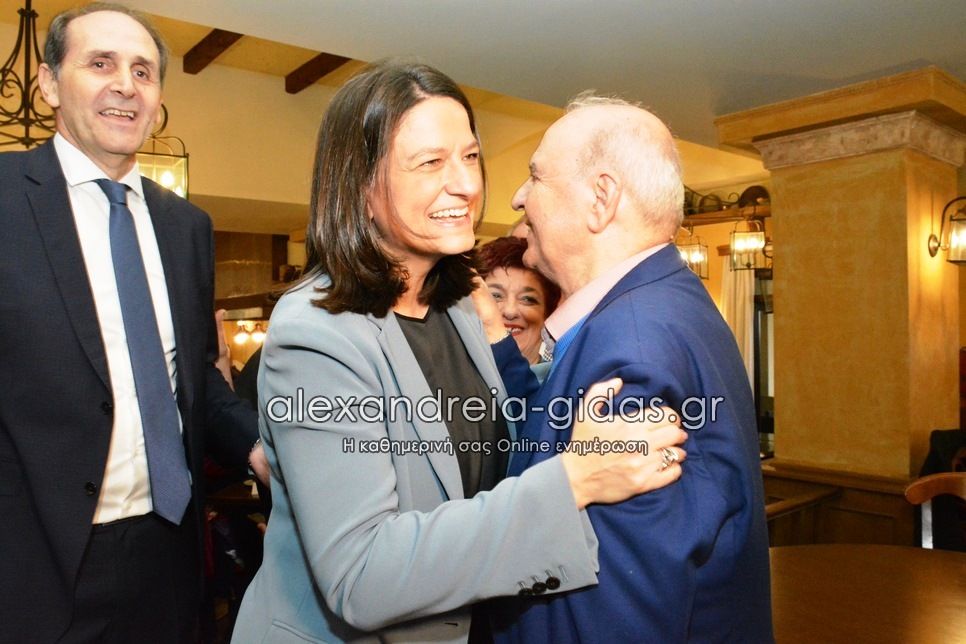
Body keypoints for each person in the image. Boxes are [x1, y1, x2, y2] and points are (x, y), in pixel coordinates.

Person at [232, 60, 688, 643]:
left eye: (470, 156)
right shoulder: (317, 332)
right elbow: (361, 576)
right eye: (430, 163)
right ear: (360, 186)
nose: (466, 185)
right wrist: (573, 479)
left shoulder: (458, 304)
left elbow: (489, 451)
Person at [0, 4, 266, 641]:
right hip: (31, 562)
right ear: (48, 83)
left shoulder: (187, 226)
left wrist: (258, 446)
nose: (126, 85)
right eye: (101, 64)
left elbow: (194, 379)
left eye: (143, 72)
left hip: (169, 552)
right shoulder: (5, 198)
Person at [479, 94, 774, 642]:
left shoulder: (630, 352)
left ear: (601, 199)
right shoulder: (665, 302)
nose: (518, 197)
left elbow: (613, 616)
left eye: (536, 176)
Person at [477, 236, 560, 364]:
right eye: (495, 296)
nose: (510, 311)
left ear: (549, 313)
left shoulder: (564, 376)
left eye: (527, 299)